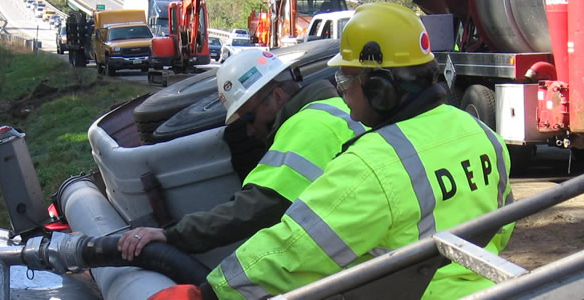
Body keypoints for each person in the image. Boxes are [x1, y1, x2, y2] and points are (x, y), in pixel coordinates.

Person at [204, 3, 515, 299]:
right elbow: (501, 228)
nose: (340, 89)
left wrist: (215, 289)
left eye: (346, 77)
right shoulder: (484, 134)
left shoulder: (372, 163)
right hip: (490, 288)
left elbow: (293, 250)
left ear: (380, 87)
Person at [118, 49, 368, 261]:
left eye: (248, 117)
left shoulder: (305, 126)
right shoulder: (336, 108)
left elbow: (254, 208)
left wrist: (172, 235)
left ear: (277, 96)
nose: (249, 131)